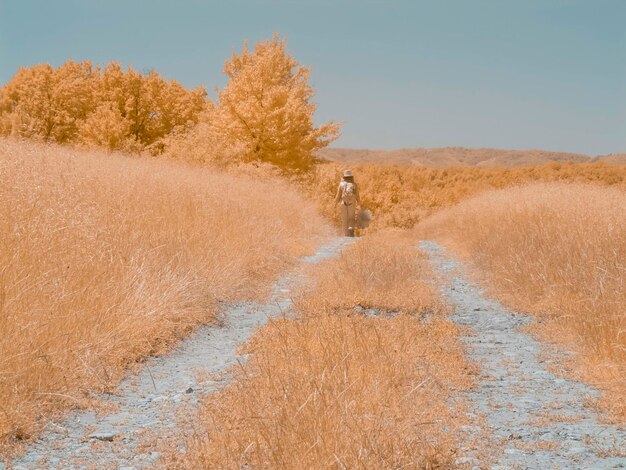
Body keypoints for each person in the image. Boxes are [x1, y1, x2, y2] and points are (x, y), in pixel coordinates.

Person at [335, 169, 361, 237]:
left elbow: (338, 196)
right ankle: (351, 232)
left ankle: (345, 235)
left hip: (343, 203)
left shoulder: (341, 184)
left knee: (344, 220)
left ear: (344, 177)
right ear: (351, 176)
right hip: (352, 203)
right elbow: (357, 196)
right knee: (351, 218)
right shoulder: (354, 184)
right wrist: (360, 204)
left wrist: (334, 204)